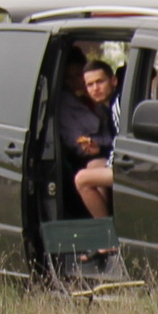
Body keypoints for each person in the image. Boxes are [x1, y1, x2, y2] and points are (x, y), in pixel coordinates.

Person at [50, 55, 116, 218]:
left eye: (99, 82)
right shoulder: (67, 103)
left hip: (124, 161)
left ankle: (106, 228)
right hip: (96, 155)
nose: (95, 88)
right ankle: (105, 225)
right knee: (93, 167)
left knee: (83, 179)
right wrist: (99, 148)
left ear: (113, 81)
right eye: (90, 84)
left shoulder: (113, 104)